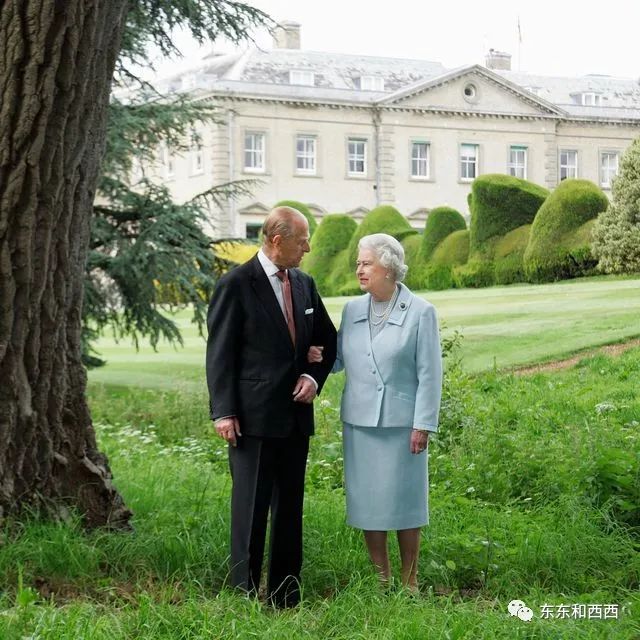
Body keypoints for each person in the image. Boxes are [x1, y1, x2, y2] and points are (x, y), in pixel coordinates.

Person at [206, 206, 337, 608]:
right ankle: (243, 597)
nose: (309, 247)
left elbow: (327, 341)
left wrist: (313, 377)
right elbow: (220, 354)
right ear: (277, 241)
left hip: (295, 420)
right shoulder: (236, 284)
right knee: (250, 511)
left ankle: (285, 597)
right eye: (302, 240)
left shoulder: (304, 283)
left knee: (289, 512)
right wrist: (223, 411)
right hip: (251, 421)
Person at [309, 233, 442, 591]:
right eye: (358, 263)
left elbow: (430, 373)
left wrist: (424, 424)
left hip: (403, 425)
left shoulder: (421, 312)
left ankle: (410, 579)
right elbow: (340, 359)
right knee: (369, 502)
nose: (359, 269)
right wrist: (317, 358)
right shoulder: (352, 310)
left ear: (389, 267)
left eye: (366, 262)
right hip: (360, 422)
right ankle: (380, 579)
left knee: (406, 503)